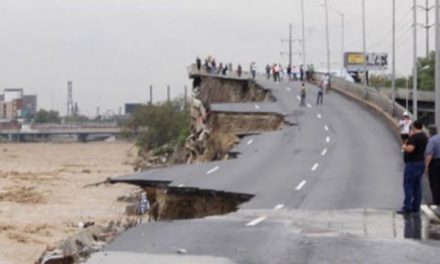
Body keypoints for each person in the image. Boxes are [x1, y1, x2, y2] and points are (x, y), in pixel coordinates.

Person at [397, 120, 428, 214]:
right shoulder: (424, 137)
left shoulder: (414, 137)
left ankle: (407, 206)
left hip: (413, 163)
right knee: (417, 186)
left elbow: (410, 149)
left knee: (408, 185)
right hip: (421, 162)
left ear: (414, 127)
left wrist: (404, 147)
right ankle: (416, 206)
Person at [425, 125, 440, 206]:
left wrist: (426, 166)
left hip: (435, 163)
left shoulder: (432, 140)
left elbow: (429, 154)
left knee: (434, 182)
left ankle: (436, 200)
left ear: (429, 132)